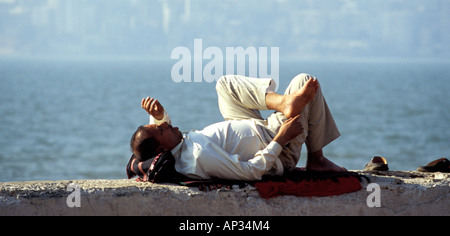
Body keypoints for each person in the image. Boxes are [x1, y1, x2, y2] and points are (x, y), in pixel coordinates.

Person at [130, 74, 345, 181]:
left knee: (224, 85)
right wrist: (281, 138)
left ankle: (283, 103)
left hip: (256, 127)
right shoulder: (198, 156)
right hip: (276, 144)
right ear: (161, 150)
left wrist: (157, 117)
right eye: (161, 129)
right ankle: (316, 160)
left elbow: (160, 141)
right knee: (304, 80)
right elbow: (251, 172)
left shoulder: (178, 149)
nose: (166, 125)